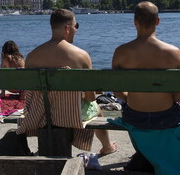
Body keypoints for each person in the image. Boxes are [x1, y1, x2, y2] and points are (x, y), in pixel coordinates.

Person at [18, 9, 117, 156]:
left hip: (40, 114)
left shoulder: (32, 56)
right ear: (67, 28)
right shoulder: (81, 56)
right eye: (76, 26)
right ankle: (107, 146)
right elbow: (90, 98)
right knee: (96, 107)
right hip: (70, 115)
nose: (76, 30)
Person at [112, 1, 180, 171]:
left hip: (134, 116)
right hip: (165, 118)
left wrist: (131, 97)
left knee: (129, 110)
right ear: (158, 21)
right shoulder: (174, 53)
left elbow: (117, 92)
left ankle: (143, 153)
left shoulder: (121, 52)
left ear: (135, 21)